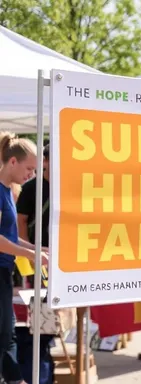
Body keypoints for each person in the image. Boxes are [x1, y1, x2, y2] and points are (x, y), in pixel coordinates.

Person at [0, 132, 47, 384]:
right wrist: (31, 253)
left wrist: (38, 248)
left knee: (8, 335)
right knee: (5, 335)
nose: (32, 175)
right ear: (13, 162)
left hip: (4, 273)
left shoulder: (8, 191)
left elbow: (9, 236)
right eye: (29, 168)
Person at [14, 143, 55, 384]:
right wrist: (30, 257)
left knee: (49, 327)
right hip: (35, 263)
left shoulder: (66, 185)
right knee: (35, 327)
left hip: (57, 265)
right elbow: (20, 224)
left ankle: (43, 369)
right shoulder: (32, 189)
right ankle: (38, 374)